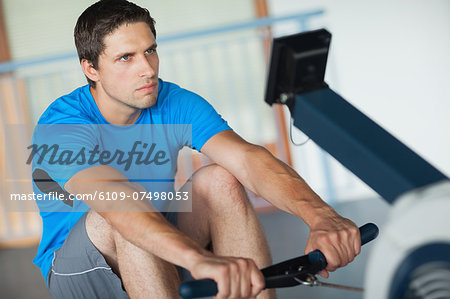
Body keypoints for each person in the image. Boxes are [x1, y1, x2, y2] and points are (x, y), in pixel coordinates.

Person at [31, 0, 361, 298]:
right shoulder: (62, 124)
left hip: (154, 239)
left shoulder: (173, 101)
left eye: (150, 50)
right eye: (125, 58)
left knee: (220, 179)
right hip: (79, 270)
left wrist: (322, 217)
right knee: (120, 209)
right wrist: (198, 258)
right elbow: (117, 202)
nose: (147, 68)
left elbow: (248, 160)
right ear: (91, 69)